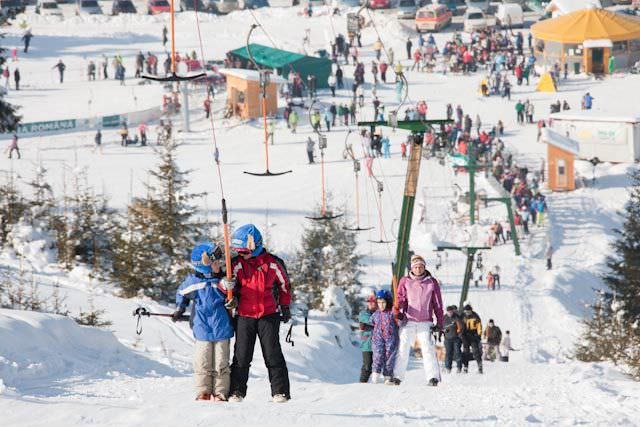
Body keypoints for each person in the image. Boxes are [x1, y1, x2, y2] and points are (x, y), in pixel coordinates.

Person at [227, 224, 291, 403]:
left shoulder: (273, 263)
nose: (241, 255)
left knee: (272, 354)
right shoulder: (236, 264)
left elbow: (284, 286)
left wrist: (285, 306)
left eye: (244, 251)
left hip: (268, 314)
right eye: (239, 252)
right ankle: (236, 391)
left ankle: (280, 391)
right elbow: (225, 285)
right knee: (241, 355)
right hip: (244, 315)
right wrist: (227, 287)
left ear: (255, 247)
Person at [173, 243, 234, 401]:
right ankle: (203, 392)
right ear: (205, 266)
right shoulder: (194, 282)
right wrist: (180, 308)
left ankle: (221, 392)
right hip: (202, 327)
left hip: (222, 327)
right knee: (202, 362)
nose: (219, 264)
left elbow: (235, 295)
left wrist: (233, 298)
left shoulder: (224, 280)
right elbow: (182, 292)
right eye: (215, 263)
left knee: (221, 363)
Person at [394, 255, 444, 386]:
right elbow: (400, 299)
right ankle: (397, 376)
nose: (418, 269)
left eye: (421, 266)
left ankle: (433, 377)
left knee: (427, 348)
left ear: (424, 267)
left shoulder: (431, 282)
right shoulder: (405, 281)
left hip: (425, 321)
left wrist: (440, 322)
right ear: (412, 268)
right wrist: (397, 311)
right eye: (416, 267)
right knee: (403, 347)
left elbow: (438, 304)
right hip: (408, 320)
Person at [370, 290, 399, 385]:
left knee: (389, 357)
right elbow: (370, 322)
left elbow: (402, 320)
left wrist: (399, 315)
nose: (381, 305)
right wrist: (365, 325)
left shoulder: (392, 313)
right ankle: (375, 376)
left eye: (383, 303)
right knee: (377, 356)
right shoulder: (376, 314)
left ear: (388, 302)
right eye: (379, 303)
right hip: (378, 339)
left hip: (391, 339)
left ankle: (388, 376)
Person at [358, 295, 376, 383]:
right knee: (367, 365)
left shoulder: (380, 313)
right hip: (367, 344)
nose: (372, 304)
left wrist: (368, 326)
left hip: (378, 344)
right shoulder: (363, 313)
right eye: (370, 302)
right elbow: (371, 320)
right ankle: (362, 383)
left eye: (373, 302)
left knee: (378, 365)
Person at [461, 304, 483, 374]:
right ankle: (465, 367)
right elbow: (459, 325)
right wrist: (461, 335)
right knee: (465, 352)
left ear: (471, 310)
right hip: (465, 336)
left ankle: (480, 366)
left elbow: (479, 326)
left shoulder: (475, 316)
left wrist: (479, 335)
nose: (467, 313)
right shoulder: (463, 316)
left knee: (476, 351)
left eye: (468, 311)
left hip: (473, 335)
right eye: (466, 311)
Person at [443, 305, 464, 374]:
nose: (450, 313)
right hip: (447, 339)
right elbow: (442, 327)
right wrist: (441, 334)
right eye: (449, 312)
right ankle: (448, 368)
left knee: (457, 352)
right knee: (448, 353)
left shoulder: (456, 317)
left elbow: (461, 327)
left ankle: (459, 367)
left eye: (451, 312)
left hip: (456, 339)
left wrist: (458, 335)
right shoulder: (444, 318)